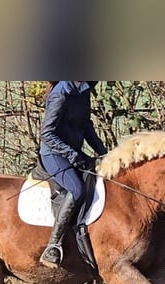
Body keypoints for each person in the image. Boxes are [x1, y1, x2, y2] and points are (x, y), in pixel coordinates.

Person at [38, 81, 107, 268]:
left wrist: (104, 153)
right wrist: (72, 155)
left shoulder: (83, 91)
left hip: (73, 152)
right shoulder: (61, 93)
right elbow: (47, 133)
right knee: (77, 190)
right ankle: (53, 245)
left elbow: (86, 126)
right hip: (54, 154)